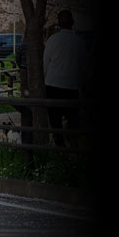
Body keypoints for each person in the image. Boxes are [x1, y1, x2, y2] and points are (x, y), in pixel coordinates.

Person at [43, 9, 86, 146]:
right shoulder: (79, 41)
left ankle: (59, 144)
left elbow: (45, 63)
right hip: (71, 85)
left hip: (52, 84)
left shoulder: (52, 40)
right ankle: (73, 143)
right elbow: (84, 65)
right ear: (72, 23)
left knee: (55, 118)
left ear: (58, 24)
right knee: (73, 117)